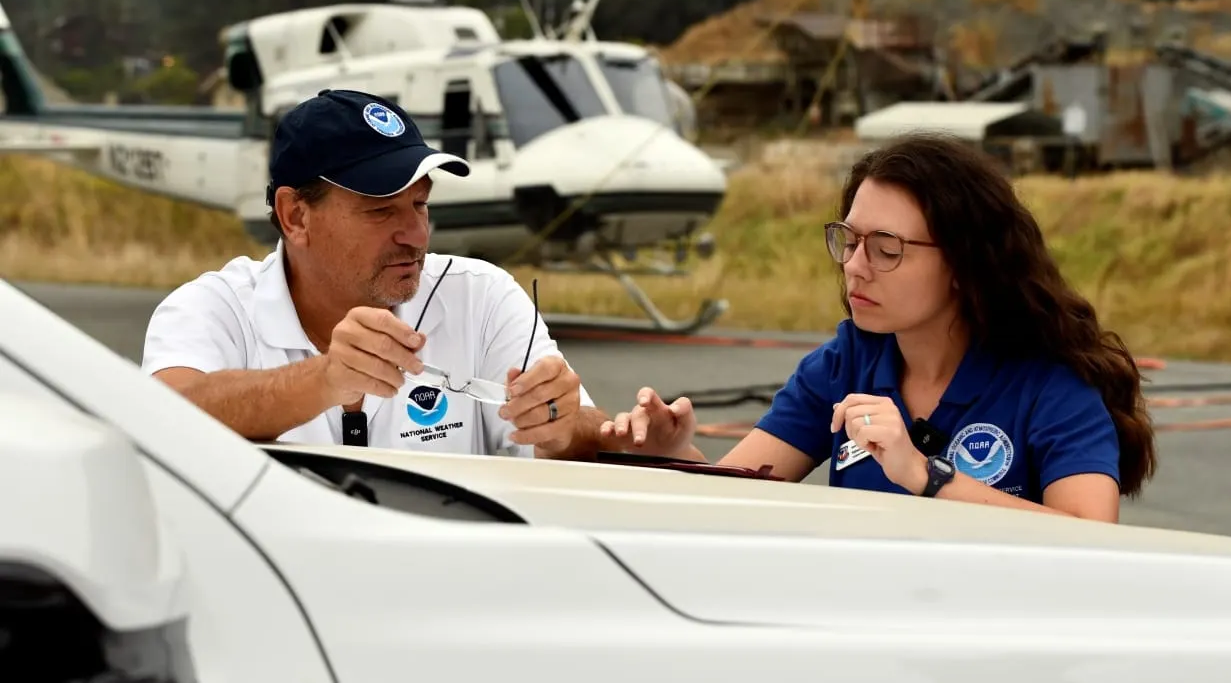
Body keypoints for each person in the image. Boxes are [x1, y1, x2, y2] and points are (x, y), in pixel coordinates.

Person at [603, 133, 1158, 521]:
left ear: (965, 265)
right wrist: (673, 455)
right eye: (849, 240)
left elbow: (1089, 534)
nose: (854, 265)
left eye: (886, 248)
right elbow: (741, 496)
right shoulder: (847, 362)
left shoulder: (1049, 382)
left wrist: (925, 474)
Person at [142, 88, 610, 460]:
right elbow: (159, 416)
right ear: (295, 217)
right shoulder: (214, 307)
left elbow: (582, 430)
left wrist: (563, 429)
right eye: (381, 210)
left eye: (420, 204)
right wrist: (325, 378)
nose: (415, 234)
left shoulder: (481, 298)